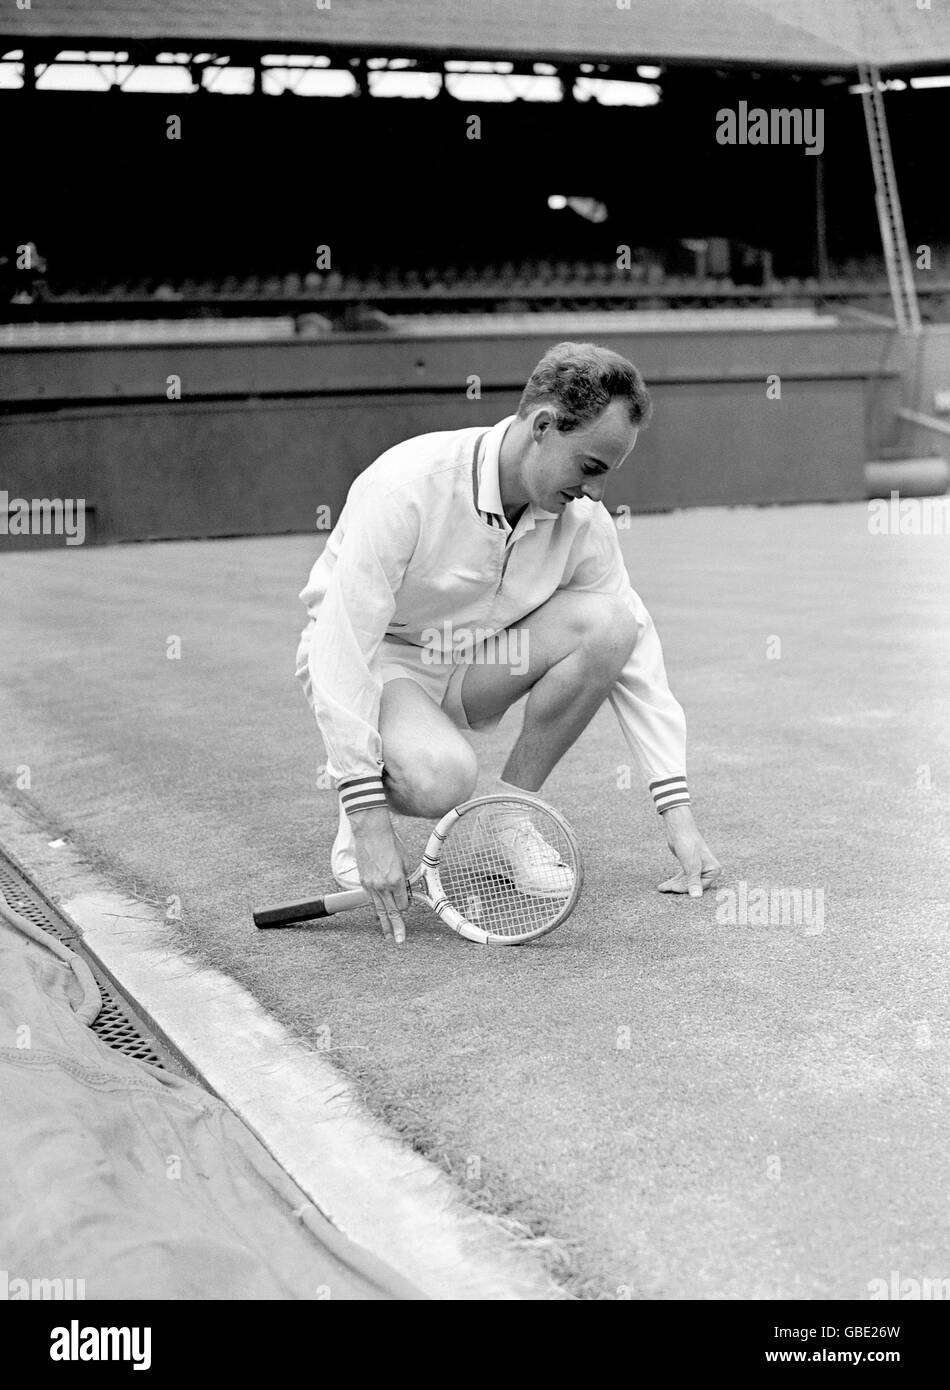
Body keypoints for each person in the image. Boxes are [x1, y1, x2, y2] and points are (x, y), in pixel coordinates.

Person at [296, 341, 721, 944]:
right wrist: (368, 822)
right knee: (445, 778)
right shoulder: (406, 484)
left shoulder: (583, 522)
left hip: (475, 663)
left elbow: (636, 655)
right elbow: (341, 645)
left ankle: (510, 817)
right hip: (378, 660)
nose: (596, 493)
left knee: (611, 626)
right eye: (591, 467)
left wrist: (677, 815)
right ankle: (373, 774)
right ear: (543, 426)